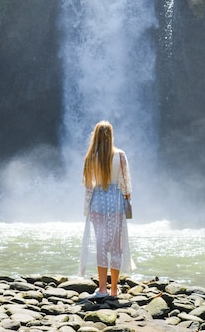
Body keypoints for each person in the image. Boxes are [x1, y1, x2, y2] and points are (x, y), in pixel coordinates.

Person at [79, 120, 133, 298]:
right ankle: (114, 290)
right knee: (116, 246)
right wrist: (127, 199)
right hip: (115, 202)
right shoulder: (120, 155)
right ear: (112, 135)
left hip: (97, 203)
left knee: (101, 245)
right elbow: (125, 183)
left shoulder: (90, 157)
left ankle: (102, 289)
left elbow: (88, 187)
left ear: (95, 135)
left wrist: (87, 208)